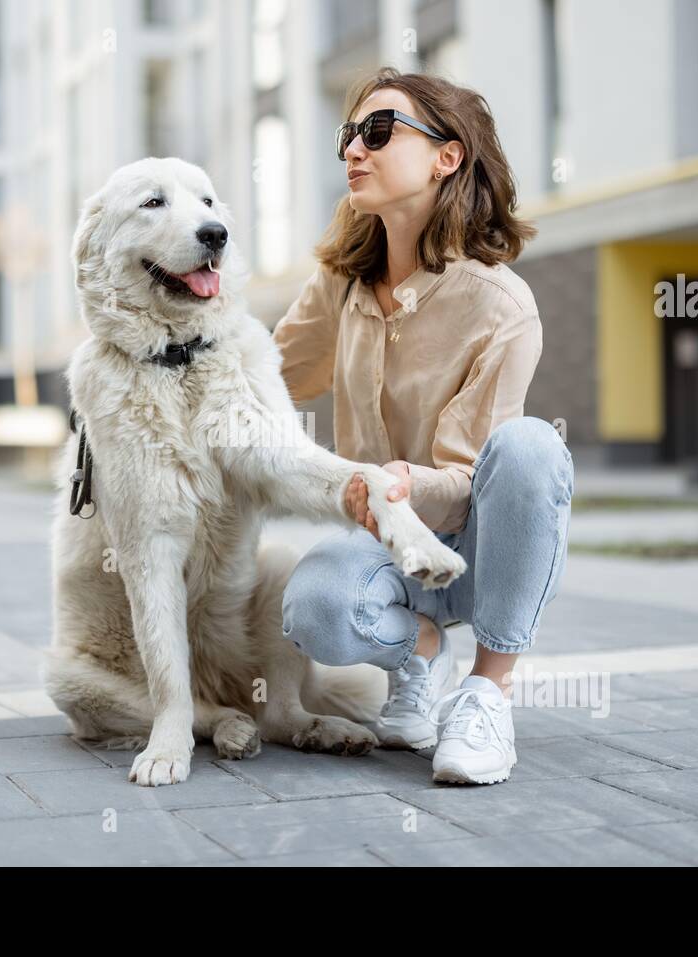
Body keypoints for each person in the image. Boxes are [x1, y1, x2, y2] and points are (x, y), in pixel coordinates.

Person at [272, 67, 574, 785]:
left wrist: (405, 484)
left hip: (479, 549)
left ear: (448, 156)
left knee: (531, 446)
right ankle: (423, 652)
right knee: (312, 604)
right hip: (384, 548)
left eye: (378, 132)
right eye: (349, 134)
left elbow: (477, 479)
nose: (354, 149)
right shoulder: (339, 282)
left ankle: (488, 690)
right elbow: (265, 379)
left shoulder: (501, 306)